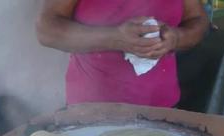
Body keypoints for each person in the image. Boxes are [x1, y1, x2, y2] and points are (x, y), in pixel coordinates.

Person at [36, 0, 209, 108]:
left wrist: (176, 38)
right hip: (92, 113)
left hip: (164, 109)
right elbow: (47, 30)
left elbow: (198, 20)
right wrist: (115, 38)